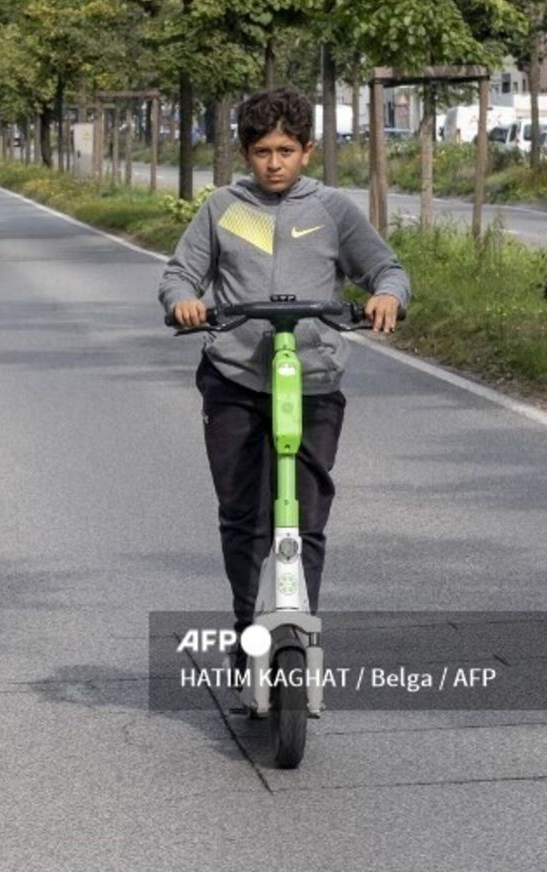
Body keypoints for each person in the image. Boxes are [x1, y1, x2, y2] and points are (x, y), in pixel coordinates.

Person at [158, 88, 410, 661]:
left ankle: (298, 627)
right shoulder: (224, 208)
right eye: (263, 150)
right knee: (243, 513)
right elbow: (179, 275)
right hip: (235, 377)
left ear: (308, 151)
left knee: (306, 517)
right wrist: (184, 303)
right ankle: (249, 627)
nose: (275, 163)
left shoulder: (332, 210)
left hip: (313, 379)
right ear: (245, 151)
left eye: (288, 150)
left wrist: (388, 296)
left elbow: (385, 268)